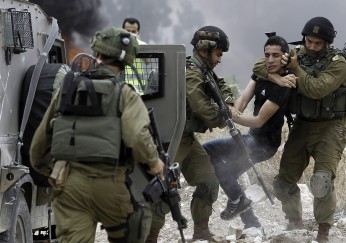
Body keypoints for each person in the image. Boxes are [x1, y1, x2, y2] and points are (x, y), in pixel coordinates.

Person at [29, 27, 164, 243]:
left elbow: (37, 149)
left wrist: (56, 174)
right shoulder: (126, 94)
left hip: (70, 187)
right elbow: (137, 137)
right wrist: (155, 164)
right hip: (110, 184)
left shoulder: (67, 88)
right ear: (127, 62)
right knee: (136, 225)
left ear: (96, 54)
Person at [146, 25, 234, 242]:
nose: (219, 60)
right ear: (205, 50)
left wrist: (228, 101)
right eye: (218, 54)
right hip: (168, 139)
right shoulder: (191, 72)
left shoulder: (201, 68)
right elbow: (202, 109)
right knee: (162, 191)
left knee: (209, 180)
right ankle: (150, 238)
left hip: (184, 137)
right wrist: (222, 117)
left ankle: (201, 233)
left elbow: (220, 83)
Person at [202, 35, 295, 228]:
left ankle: (240, 203)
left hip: (264, 145)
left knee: (216, 160)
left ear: (285, 57)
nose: (270, 60)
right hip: (251, 139)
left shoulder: (285, 86)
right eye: (267, 55)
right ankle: (250, 221)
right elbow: (242, 102)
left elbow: (258, 121)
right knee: (222, 167)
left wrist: (226, 113)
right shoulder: (261, 74)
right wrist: (231, 109)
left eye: (276, 56)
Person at [272, 17, 346, 243]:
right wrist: (279, 67)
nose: (313, 47)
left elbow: (317, 89)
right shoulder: (296, 53)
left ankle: (323, 230)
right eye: (309, 41)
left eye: (318, 43)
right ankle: (294, 222)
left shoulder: (338, 62)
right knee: (283, 181)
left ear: (327, 43)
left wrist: (295, 68)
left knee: (322, 181)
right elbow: (262, 64)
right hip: (302, 124)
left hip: (330, 127)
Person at [122, 17, 149, 95]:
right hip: (121, 88)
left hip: (139, 90)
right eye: (128, 31)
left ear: (138, 32)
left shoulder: (142, 45)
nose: (131, 33)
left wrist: (135, 46)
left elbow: (147, 62)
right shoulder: (116, 45)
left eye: (133, 31)